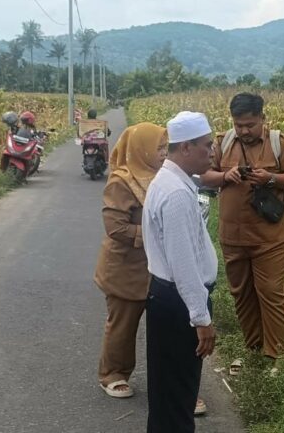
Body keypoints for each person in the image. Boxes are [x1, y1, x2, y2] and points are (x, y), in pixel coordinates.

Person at [200, 93, 284, 369]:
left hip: (269, 238)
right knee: (242, 292)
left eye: (250, 125)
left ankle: (276, 355)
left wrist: (270, 178)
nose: (244, 131)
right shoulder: (223, 143)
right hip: (233, 237)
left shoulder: (279, 144)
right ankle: (254, 347)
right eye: (239, 125)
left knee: (270, 292)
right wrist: (226, 175)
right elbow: (205, 176)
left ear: (262, 118)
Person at [142, 111, 217, 433]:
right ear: (185, 147)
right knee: (177, 399)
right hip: (179, 304)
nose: (212, 152)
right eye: (207, 145)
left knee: (169, 395)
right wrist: (201, 319)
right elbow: (183, 264)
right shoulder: (175, 194)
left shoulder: (172, 182)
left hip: (170, 299)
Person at [93, 123, 168, 399]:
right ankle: (113, 374)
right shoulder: (121, 182)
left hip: (157, 267)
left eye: (166, 147)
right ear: (141, 150)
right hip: (125, 268)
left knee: (167, 326)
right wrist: (156, 234)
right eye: (159, 148)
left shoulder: (164, 177)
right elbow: (116, 228)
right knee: (123, 325)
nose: (164, 153)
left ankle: (171, 381)